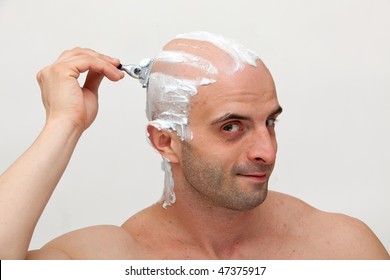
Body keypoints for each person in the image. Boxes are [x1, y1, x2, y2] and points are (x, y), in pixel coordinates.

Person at [0, 32, 388, 260]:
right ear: (165, 141)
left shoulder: (339, 249)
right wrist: (63, 124)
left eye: (270, 122)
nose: (266, 152)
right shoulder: (114, 257)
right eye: (231, 127)